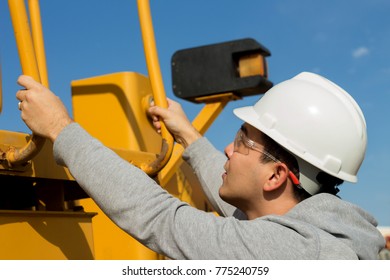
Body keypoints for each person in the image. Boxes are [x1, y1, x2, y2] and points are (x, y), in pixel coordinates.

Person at [15, 72, 385, 259]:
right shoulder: (326, 237)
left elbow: (162, 218)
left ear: (275, 175)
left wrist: (60, 129)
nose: (228, 148)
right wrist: (188, 136)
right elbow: (243, 207)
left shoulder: (288, 254)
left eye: (242, 141)